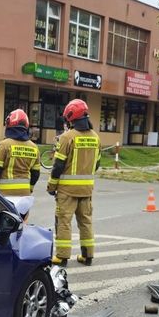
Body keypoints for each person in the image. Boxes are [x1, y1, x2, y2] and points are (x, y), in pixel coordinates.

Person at [47, 98, 100, 266]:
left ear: (71, 117)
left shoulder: (67, 137)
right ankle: (87, 256)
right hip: (87, 190)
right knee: (86, 222)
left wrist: (51, 186)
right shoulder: (95, 137)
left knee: (63, 221)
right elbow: (97, 164)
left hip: (67, 191)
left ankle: (62, 257)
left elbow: (58, 166)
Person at [0, 109, 41, 210]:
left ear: (9, 125)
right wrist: (30, 188)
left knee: (2, 222)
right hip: (25, 194)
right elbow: (36, 173)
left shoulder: (4, 145)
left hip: (5, 194)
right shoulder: (34, 147)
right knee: (21, 222)